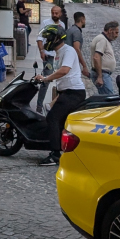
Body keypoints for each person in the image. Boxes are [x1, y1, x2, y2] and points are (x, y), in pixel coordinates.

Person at [35, 25, 87, 166]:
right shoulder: (59, 53)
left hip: (73, 92)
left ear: (56, 38)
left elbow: (64, 70)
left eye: (48, 38)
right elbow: (59, 73)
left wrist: (46, 79)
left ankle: (55, 155)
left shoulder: (68, 51)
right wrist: (43, 77)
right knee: (59, 120)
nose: (46, 42)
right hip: (66, 92)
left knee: (53, 118)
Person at [36, 5, 67, 112]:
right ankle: (39, 105)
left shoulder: (62, 25)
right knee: (46, 80)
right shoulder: (45, 23)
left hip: (58, 56)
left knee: (60, 79)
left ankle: (57, 105)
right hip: (48, 55)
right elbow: (39, 38)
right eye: (53, 12)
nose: (54, 15)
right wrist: (42, 51)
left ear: (60, 14)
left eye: (56, 13)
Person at [91, 21, 119, 95]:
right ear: (110, 30)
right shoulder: (102, 40)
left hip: (103, 74)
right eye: (116, 32)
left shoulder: (103, 39)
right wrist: (100, 76)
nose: (117, 35)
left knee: (105, 96)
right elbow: (96, 57)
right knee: (109, 97)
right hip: (103, 74)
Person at [66, 12, 90, 81]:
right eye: (84, 20)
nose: (85, 21)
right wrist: (84, 65)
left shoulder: (70, 30)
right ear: (82, 19)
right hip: (71, 62)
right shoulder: (76, 32)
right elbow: (76, 48)